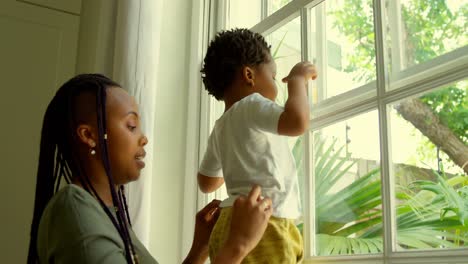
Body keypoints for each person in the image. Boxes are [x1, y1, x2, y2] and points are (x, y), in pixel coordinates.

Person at [27, 73, 273, 264]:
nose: (143, 138)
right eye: (131, 125)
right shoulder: (74, 210)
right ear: (89, 135)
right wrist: (237, 245)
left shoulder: (106, 214)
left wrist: (200, 250)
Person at [198, 28, 317, 263]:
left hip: (228, 224)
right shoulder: (253, 104)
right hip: (264, 222)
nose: (276, 84)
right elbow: (296, 121)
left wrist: (236, 160)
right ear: (249, 76)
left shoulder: (220, 127)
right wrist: (297, 82)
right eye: (273, 77)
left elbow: (206, 182)